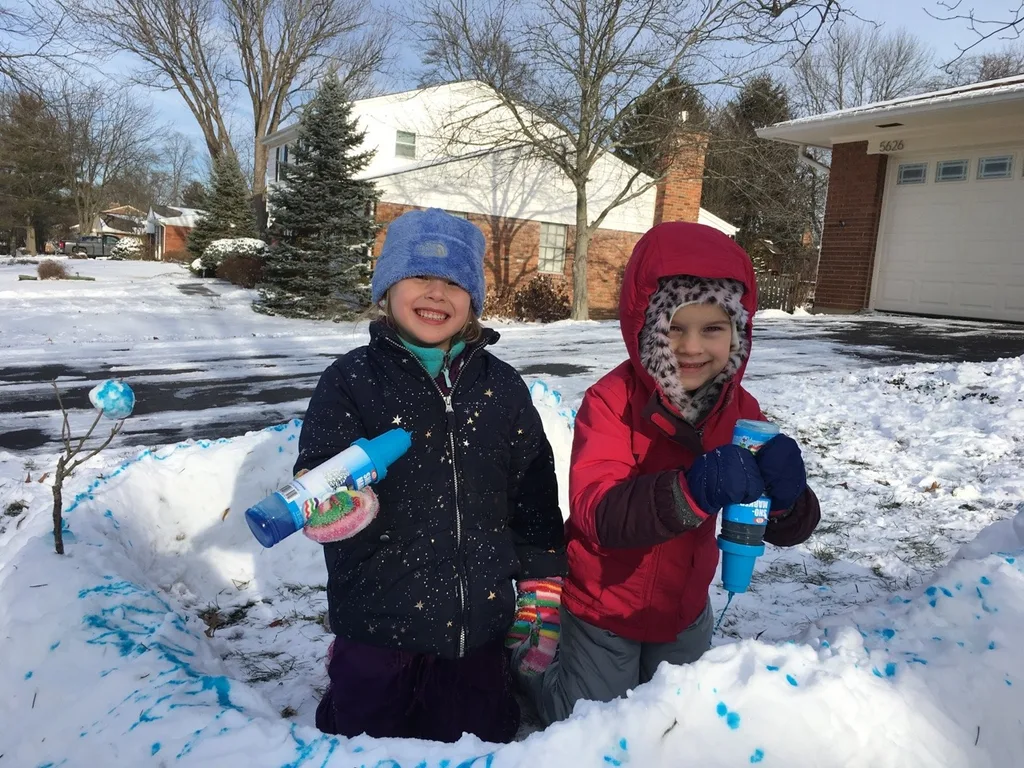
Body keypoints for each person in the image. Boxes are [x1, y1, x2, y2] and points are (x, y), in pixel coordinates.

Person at [515, 221, 821, 725]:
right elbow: (599, 512)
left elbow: (771, 522)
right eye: (674, 328)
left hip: (682, 609)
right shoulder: (610, 402)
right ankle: (531, 656)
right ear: (645, 330)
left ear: (739, 334)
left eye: (712, 329)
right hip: (605, 604)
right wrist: (690, 490)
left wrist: (788, 501)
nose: (692, 347)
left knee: (678, 723)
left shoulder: (741, 411)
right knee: (587, 723)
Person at [295, 208, 565, 743]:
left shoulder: (503, 388)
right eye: (420, 277)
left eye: (454, 283)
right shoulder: (351, 379)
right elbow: (321, 466)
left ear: (473, 302)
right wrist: (336, 503)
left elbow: (533, 491)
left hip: (477, 619)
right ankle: (349, 672)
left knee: (475, 734)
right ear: (388, 289)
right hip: (377, 611)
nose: (437, 294)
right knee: (363, 732)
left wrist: (541, 586)